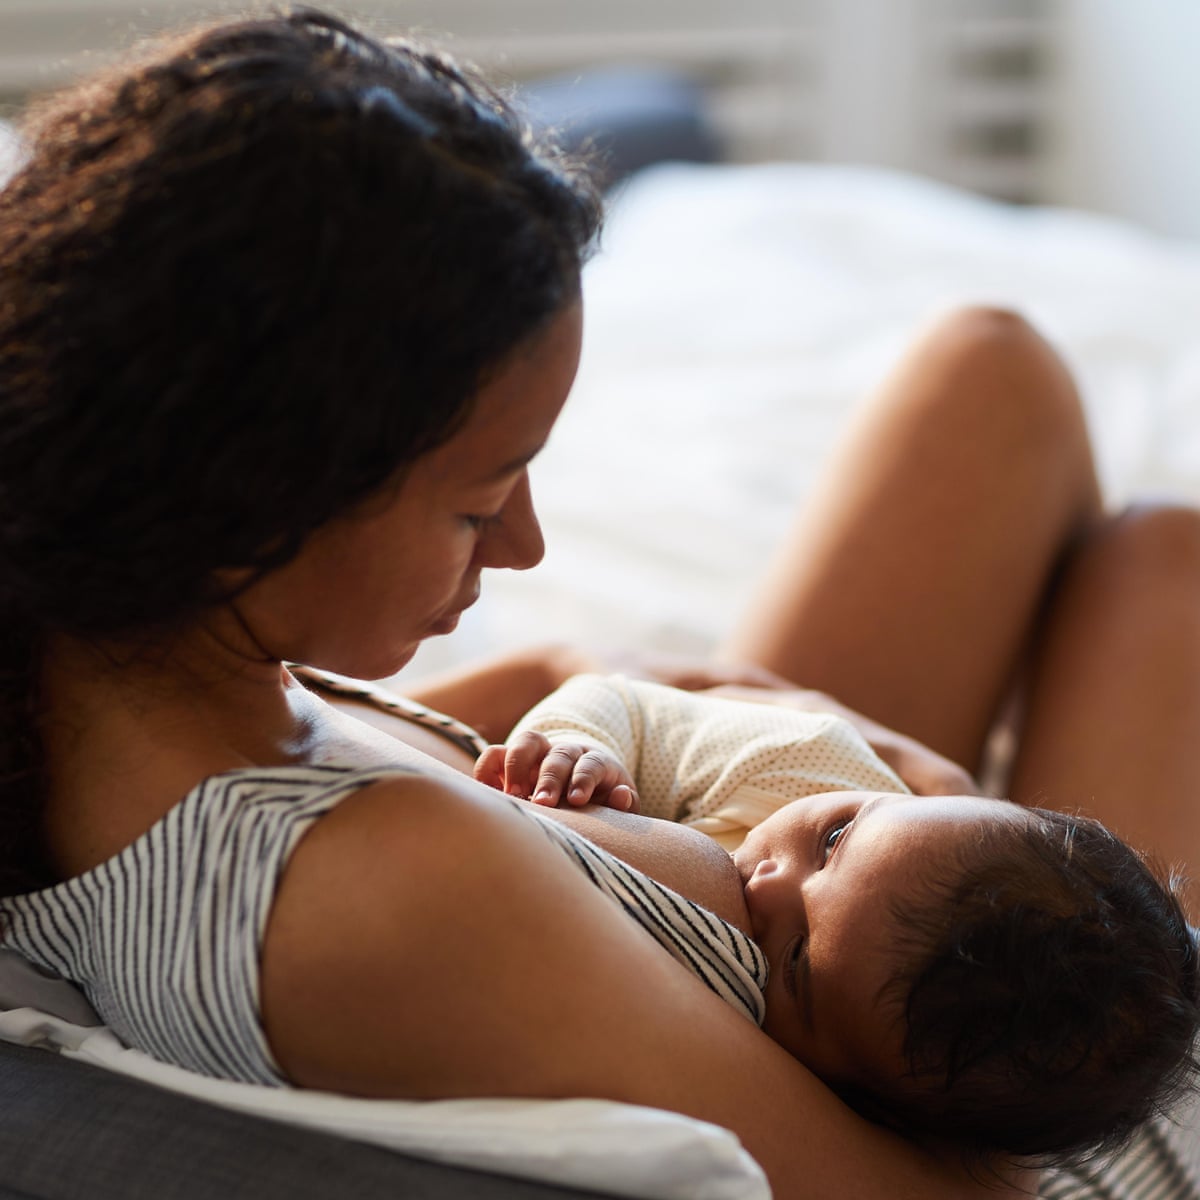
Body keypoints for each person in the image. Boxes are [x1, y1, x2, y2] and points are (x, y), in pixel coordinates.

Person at [0, 9, 1196, 1199]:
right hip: (1081, 1149)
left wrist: (627, 692)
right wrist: (960, 828)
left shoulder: (110, 667)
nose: (523, 544)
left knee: (995, 376)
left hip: (775, 874)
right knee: (1170, 569)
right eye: (476, 505)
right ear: (253, 500)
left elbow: (454, 740)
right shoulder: (386, 891)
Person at [474, 672, 1199, 1166]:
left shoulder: (839, 1092)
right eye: (833, 840)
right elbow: (625, 703)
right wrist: (576, 744)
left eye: (795, 960)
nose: (766, 883)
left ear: (864, 1099)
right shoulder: (807, 764)